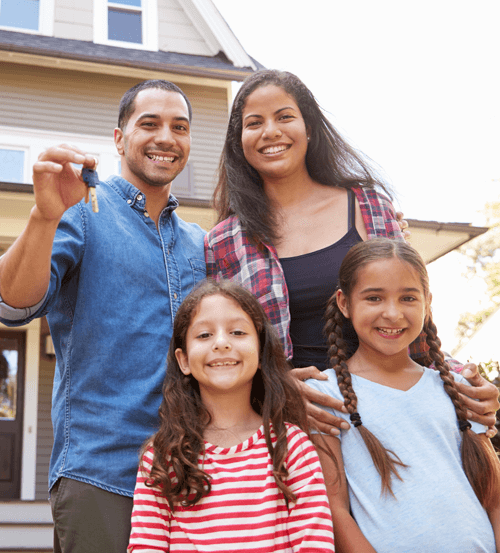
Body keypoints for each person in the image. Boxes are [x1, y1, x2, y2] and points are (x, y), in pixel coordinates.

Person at [205, 68, 499, 436]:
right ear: (239, 140)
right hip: (296, 428)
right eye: (254, 122)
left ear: (308, 127)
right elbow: (225, 350)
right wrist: (275, 390)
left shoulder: (370, 206)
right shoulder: (224, 241)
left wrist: (464, 382)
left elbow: (413, 320)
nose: (271, 132)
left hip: (390, 412)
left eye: (284, 117)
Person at [0, 80, 206, 553]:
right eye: (149, 124)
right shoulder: (82, 213)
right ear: (119, 139)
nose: (166, 137)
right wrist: (43, 216)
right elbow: (12, 305)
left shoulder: (199, 242)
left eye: (180, 127)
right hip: (104, 476)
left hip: (192, 474)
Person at [307, 238, 500, 552]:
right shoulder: (325, 394)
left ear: (427, 302)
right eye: (374, 298)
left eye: (408, 298)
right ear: (344, 303)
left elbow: (493, 496)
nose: (393, 314)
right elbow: (334, 507)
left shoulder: (455, 388)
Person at [127, 279, 335, 553]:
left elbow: (315, 546)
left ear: (260, 352)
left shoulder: (292, 447)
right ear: (184, 360)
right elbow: (146, 547)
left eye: (237, 332)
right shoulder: (163, 455)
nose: (222, 343)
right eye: (204, 335)